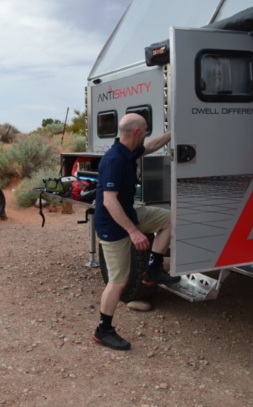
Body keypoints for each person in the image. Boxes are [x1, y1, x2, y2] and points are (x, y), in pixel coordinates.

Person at [92, 113, 179, 351]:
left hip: (129, 213)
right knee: (118, 282)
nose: (148, 133)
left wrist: (174, 133)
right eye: (147, 129)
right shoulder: (114, 160)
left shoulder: (127, 151)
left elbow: (150, 147)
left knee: (170, 220)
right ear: (137, 132)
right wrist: (134, 232)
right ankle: (103, 330)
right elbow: (109, 202)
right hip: (113, 225)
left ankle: (152, 270)